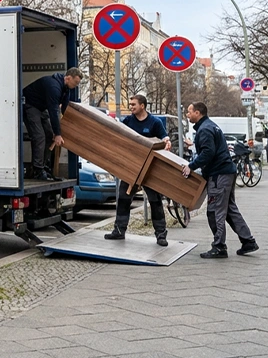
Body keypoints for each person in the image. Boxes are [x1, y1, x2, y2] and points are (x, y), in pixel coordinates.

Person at [181, 101, 258, 258]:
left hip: (219, 175)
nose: (187, 115)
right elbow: (210, 149)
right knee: (229, 210)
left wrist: (192, 166)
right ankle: (248, 241)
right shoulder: (209, 126)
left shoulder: (205, 129)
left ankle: (219, 247)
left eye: (189, 112)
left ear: (198, 112)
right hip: (226, 172)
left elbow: (208, 153)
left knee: (215, 211)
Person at [104, 94, 171, 246]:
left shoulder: (155, 122)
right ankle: (119, 231)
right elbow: (119, 130)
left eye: (134, 104)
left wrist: (166, 141)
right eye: (131, 104)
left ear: (142, 106)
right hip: (131, 167)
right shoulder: (128, 120)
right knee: (123, 198)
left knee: (155, 200)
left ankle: (161, 234)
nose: (131, 107)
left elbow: (164, 137)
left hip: (149, 169)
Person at [22, 67, 82, 181]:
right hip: (29, 104)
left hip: (40, 106)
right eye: (76, 82)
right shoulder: (54, 87)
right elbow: (53, 112)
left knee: (49, 136)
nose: (76, 85)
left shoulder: (65, 89)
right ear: (68, 78)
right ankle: (37, 170)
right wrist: (58, 134)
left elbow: (64, 109)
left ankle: (43, 167)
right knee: (39, 136)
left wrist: (73, 126)